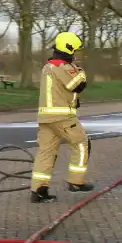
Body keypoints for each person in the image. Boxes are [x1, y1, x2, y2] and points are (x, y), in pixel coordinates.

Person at [31, 31, 95, 203]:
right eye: (75, 51)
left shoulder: (48, 66)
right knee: (82, 144)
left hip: (46, 119)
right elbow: (79, 85)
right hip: (62, 117)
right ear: (69, 49)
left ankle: (39, 191)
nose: (76, 54)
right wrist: (79, 70)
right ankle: (76, 182)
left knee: (46, 153)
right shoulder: (63, 67)